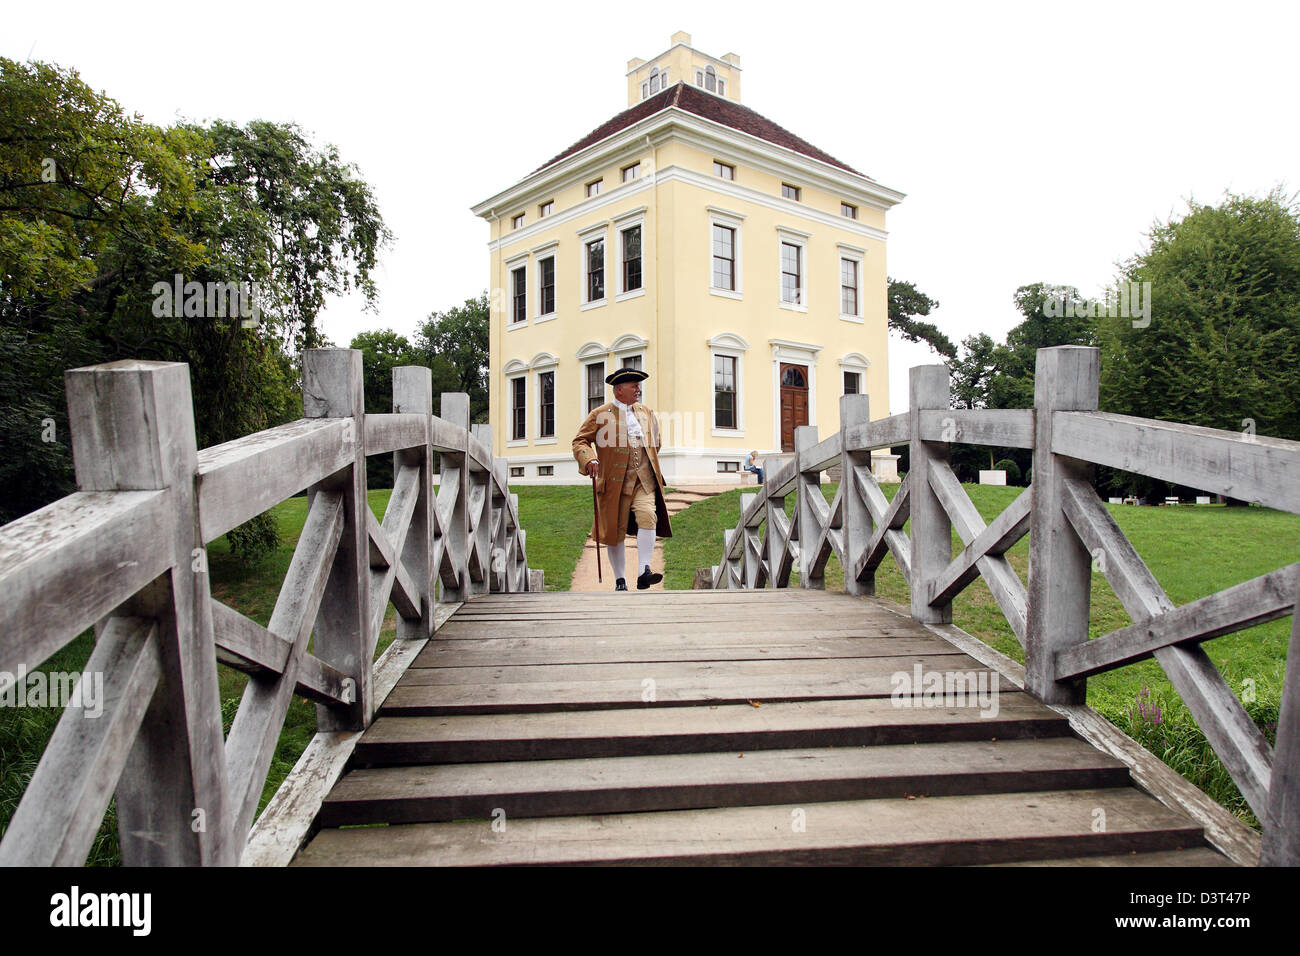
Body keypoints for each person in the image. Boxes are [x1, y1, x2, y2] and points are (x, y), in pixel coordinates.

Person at [572, 367, 672, 591]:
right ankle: (620, 579)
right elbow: (580, 441)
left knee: (648, 515)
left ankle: (643, 571)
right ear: (619, 390)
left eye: (639, 385)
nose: (639, 389)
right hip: (614, 484)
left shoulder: (647, 412)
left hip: (645, 479)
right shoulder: (599, 414)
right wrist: (590, 460)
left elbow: (656, 442)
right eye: (634, 386)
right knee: (614, 531)